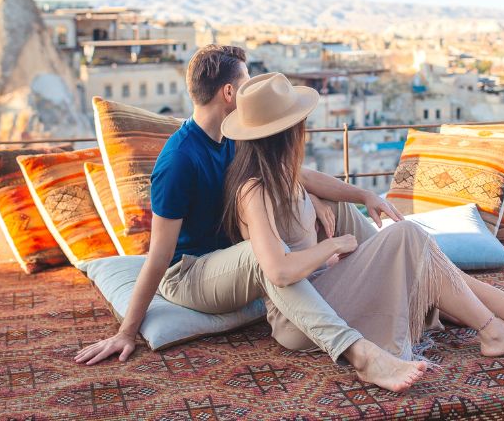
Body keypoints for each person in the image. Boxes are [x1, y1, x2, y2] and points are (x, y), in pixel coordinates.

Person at [76, 46, 427, 392]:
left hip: (232, 260)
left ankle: (421, 288)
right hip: (191, 273)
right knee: (264, 257)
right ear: (229, 93)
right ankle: (359, 352)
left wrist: (360, 195)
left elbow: (296, 173)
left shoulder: (233, 136)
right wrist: (127, 331)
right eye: (246, 84)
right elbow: (158, 257)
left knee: (330, 214)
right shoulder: (179, 160)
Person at [221, 72, 504, 367]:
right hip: (303, 321)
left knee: (434, 264)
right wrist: (334, 246)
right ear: (288, 131)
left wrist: (365, 195)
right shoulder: (253, 190)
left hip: (329, 287)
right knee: (409, 237)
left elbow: (315, 180)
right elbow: (276, 271)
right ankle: (496, 331)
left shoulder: (285, 172)